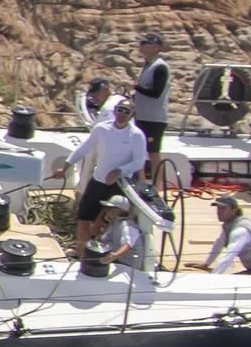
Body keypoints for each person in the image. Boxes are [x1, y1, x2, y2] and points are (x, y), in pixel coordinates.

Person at [71, 98, 149, 254]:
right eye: (120, 110)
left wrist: (120, 170)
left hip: (119, 184)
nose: (122, 114)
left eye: (127, 111)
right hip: (98, 180)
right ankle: (81, 252)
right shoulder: (101, 128)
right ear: (115, 111)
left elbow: (139, 162)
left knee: (111, 220)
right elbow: (85, 148)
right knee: (84, 217)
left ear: (132, 115)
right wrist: (67, 164)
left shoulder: (137, 135)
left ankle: (104, 252)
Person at [128, 32, 175, 168]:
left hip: (154, 119)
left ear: (155, 47)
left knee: (153, 153)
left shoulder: (160, 67)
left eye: (144, 43)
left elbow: (156, 93)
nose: (140, 46)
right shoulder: (147, 65)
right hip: (142, 116)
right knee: (139, 151)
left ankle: (157, 186)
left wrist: (134, 86)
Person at [83, 198, 143, 275]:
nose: (106, 210)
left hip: (128, 267)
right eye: (106, 207)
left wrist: (114, 255)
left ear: (120, 210)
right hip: (118, 261)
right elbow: (106, 239)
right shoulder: (114, 223)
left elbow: (127, 244)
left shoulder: (128, 226)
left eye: (110, 208)